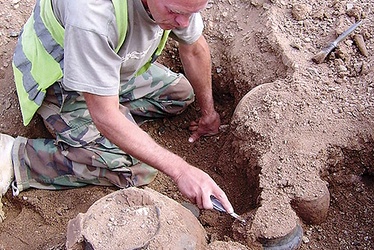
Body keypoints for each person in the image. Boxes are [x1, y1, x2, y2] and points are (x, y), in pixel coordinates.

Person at [0, 0, 234, 216]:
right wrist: (182, 171)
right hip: (62, 81)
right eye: (175, 12)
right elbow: (105, 115)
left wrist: (209, 113)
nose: (183, 22)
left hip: (111, 66)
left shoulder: (178, 6)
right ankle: (17, 156)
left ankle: (110, 116)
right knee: (137, 168)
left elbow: (194, 49)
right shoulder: (93, 13)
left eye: (191, 13)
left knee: (180, 94)